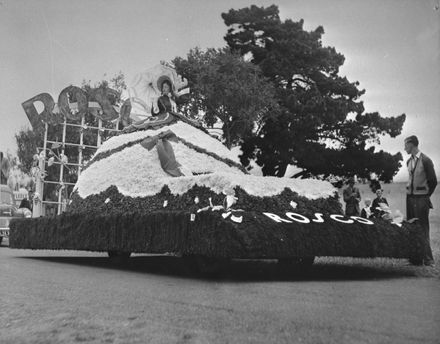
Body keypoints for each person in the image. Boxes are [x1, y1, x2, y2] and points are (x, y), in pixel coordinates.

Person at [404, 135, 437, 266]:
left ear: (412, 144)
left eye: (406, 145)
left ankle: (428, 259)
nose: (404, 147)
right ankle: (416, 259)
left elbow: (433, 181)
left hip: (421, 198)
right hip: (410, 198)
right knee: (412, 227)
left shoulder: (426, 160)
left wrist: (425, 196)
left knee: (422, 228)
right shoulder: (409, 161)